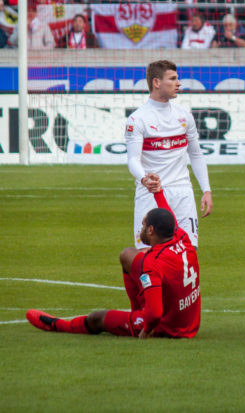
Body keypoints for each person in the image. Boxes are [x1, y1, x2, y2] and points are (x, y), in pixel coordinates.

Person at [26, 189, 202, 339]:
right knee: (128, 255)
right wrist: (158, 193)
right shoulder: (181, 236)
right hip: (190, 321)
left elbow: (155, 314)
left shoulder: (152, 262)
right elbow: (168, 217)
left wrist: (146, 330)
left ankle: (59, 325)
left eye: (143, 225)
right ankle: (137, 311)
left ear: (151, 230)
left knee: (98, 318)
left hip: (168, 327)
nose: (140, 230)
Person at [125, 60, 213, 250]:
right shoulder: (137, 119)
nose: (178, 83)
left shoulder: (184, 115)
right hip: (149, 194)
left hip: (182, 193)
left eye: (177, 78)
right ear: (156, 83)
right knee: (148, 257)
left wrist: (206, 189)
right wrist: (144, 179)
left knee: (187, 254)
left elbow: (196, 154)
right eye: (172, 79)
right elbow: (133, 159)